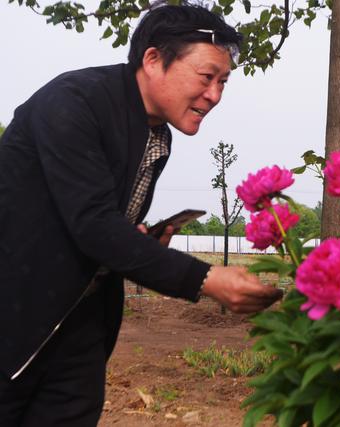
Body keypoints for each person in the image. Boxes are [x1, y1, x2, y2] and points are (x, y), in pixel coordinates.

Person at [0, 3, 282, 425]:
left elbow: (104, 227)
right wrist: (204, 278)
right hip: (16, 315)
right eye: (207, 78)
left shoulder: (156, 135)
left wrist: (142, 242)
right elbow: (93, 226)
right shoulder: (74, 102)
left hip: (81, 327)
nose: (215, 96)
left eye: (223, 82)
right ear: (152, 59)